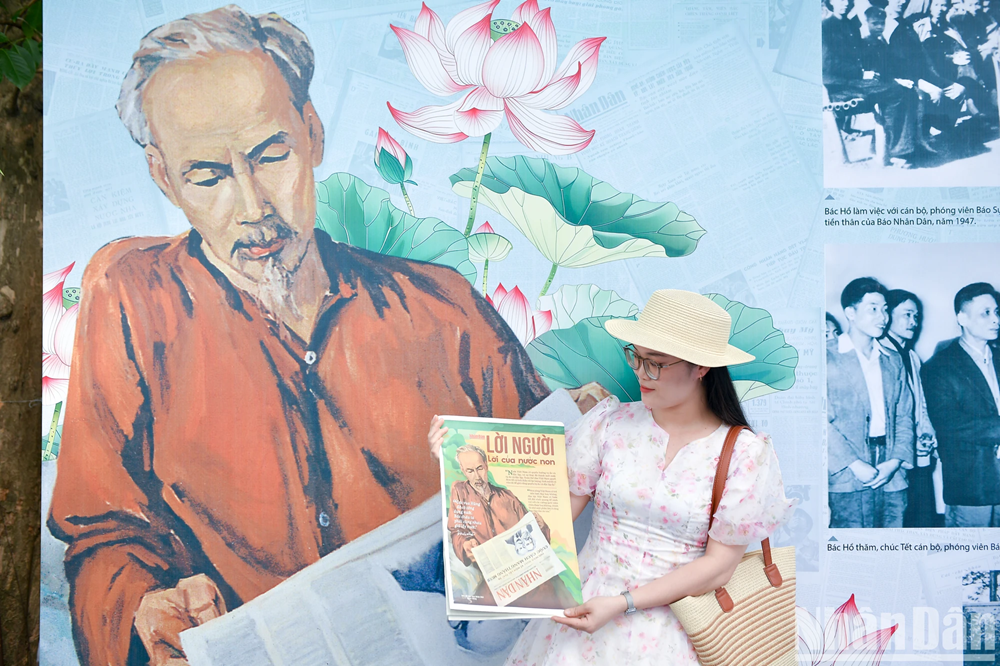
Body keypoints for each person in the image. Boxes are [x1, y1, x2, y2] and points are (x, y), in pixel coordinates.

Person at [46, 7, 557, 666]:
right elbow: (104, 534)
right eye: (209, 176)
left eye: (271, 155)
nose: (253, 206)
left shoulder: (446, 313)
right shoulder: (132, 297)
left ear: (312, 135)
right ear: (163, 176)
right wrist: (145, 607)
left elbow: (541, 548)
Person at [431, 289, 796, 665]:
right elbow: (545, 521)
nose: (640, 372)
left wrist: (624, 604)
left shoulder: (745, 454)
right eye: (636, 357)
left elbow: (719, 567)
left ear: (700, 367)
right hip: (579, 615)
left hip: (670, 631)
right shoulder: (609, 423)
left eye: (655, 363)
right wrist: (455, 456)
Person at [827, 277, 915, 528]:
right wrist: (853, 464)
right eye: (873, 309)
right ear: (850, 313)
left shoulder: (892, 359)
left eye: (885, 309)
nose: (883, 317)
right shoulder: (827, 357)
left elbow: (904, 415)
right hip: (847, 471)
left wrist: (896, 461)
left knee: (891, 545)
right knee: (853, 545)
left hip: (892, 470)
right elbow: (819, 421)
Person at [447, 445, 574, 609]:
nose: (477, 476)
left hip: (529, 572)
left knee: (555, 597)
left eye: (479, 468)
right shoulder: (460, 491)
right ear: (463, 471)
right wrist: (465, 544)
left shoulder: (507, 496)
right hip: (496, 577)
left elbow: (535, 537)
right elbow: (457, 529)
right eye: (470, 471)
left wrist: (541, 526)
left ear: (486, 465)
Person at [921, 282, 1000, 527]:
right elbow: (950, 424)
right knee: (969, 556)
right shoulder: (940, 365)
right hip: (972, 481)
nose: (995, 319)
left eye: (996, 311)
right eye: (985, 313)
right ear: (962, 317)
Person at [880, 289, 942, 527]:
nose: (913, 322)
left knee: (921, 516)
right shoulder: (880, 353)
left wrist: (928, 433)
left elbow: (921, 402)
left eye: (916, 316)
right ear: (888, 316)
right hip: (893, 457)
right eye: (906, 315)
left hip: (919, 452)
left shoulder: (913, 357)